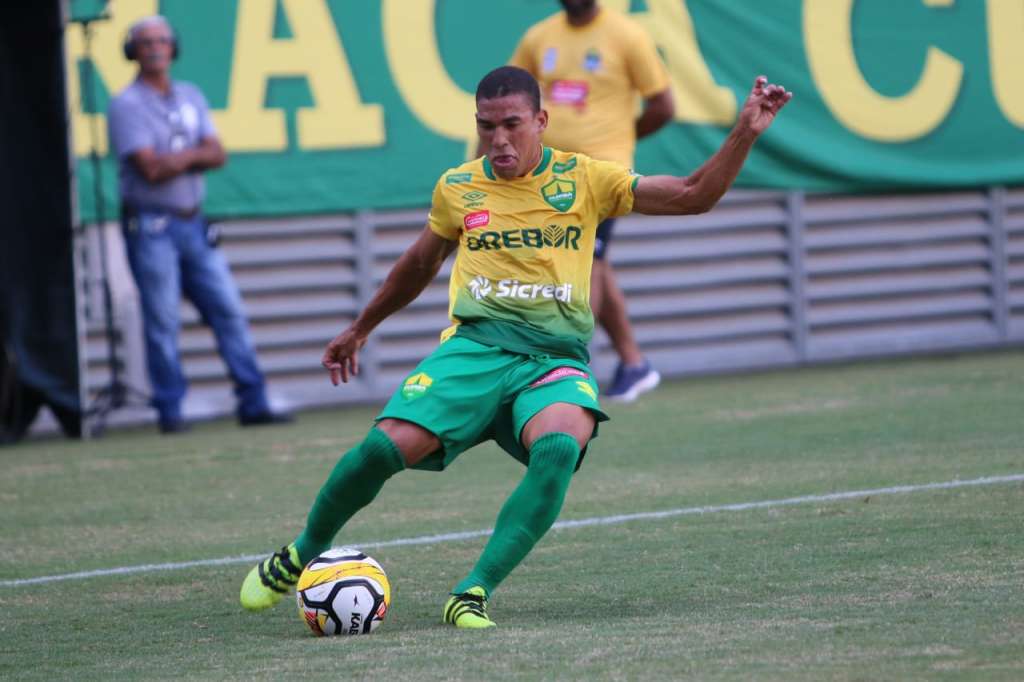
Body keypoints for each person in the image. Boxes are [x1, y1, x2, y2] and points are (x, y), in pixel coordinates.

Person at [239, 66, 790, 627]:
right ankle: (304, 551)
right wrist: (360, 328)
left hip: (552, 360)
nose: (498, 139)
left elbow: (694, 196)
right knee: (383, 449)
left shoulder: (586, 179)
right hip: (474, 349)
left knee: (558, 448)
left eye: (511, 125)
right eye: (486, 127)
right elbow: (418, 265)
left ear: (541, 122)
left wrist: (745, 131)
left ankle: (472, 592)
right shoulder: (459, 187)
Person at [107, 16, 290, 434]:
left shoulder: (189, 94)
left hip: (194, 223)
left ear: (174, 48)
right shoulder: (126, 104)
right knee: (163, 320)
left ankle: (252, 400)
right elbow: (150, 169)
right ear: (132, 51)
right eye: (146, 42)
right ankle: (170, 411)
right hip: (151, 227)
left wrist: (181, 157)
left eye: (162, 41)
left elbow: (218, 154)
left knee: (228, 310)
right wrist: (195, 154)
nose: (155, 48)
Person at [509, 0, 675, 402]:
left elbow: (663, 105)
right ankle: (634, 363)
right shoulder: (539, 36)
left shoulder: (627, 35)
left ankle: (570, 368)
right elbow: (511, 98)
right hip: (550, 178)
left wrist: (621, 139)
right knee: (595, 262)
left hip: (604, 173)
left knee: (587, 263)